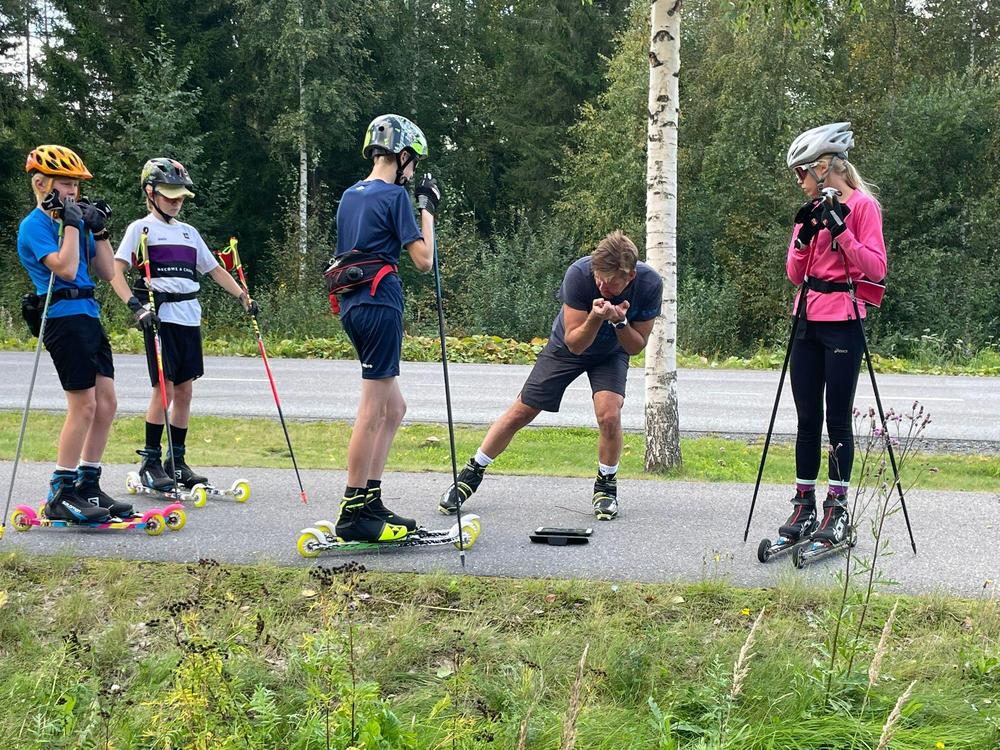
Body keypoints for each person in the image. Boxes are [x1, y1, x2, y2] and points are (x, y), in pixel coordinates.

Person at [439, 230, 662, 521]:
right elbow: (575, 343)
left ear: (629, 277)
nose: (601, 285)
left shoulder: (649, 283)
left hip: (612, 352)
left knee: (609, 414)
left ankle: (606, 486)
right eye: (598, 278)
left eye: (610, 282)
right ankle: (471, 473)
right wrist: (596, 317)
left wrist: (620, 322)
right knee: (522, 411)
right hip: (567, 346)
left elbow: (635, 347)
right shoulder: (579, 274)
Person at [109, 158, 256, 491]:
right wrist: (135, 307)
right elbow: (115, 271)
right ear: (150, 193)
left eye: (180, 196)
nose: (176, 202)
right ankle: (149, 461)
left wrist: (243, 296)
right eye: (169, 195)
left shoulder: (189, 233)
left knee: (185, 391)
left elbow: (214, 269)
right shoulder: (140, 229)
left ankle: (176, 462)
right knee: (165, 389)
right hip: (160, 319)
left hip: (189, 317)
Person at [330, 113, 441, 543]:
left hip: (352, 304)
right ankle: (352, 511)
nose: (412, 172)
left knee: (394, 409)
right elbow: (424, 260)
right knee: (373, 410)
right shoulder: (395, 196)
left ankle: (370, 499)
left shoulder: (349, 195)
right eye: (413, 162)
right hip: (380, 301)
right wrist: (427, 209)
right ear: (402, 155)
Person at [779, 122, 887, 546]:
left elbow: (876, 268)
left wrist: (842, 232)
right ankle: (804, 503)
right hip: (807, 318)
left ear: (823, 168)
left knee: (837, 418)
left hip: (844, 319)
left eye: (801, 172)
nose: (799, 181)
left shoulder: (863, 207)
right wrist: (804, 239)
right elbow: (794, 274)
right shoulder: (809, 211)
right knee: (807, 418)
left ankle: (837, 508)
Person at [17, 145, 133, 521]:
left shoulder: (76, 223)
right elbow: (65, 269)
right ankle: (61, 491)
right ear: (41, 184)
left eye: (76, 186)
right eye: (65, 184)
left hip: (89, 314)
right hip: (62, 318)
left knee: (107, 403)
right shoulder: (34, 226)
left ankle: (87, 483)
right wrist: (69, 223)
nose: (72, 192)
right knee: (83, 405)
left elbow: (108, 271)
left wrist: (98, 229)